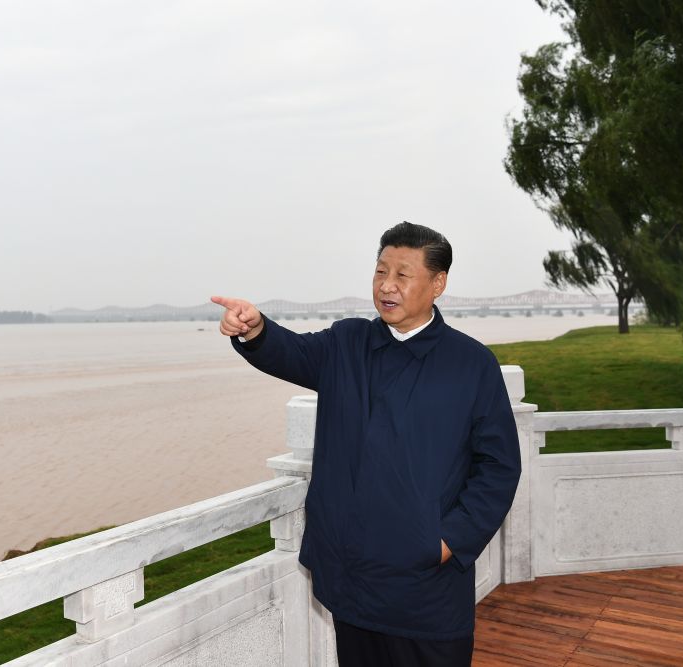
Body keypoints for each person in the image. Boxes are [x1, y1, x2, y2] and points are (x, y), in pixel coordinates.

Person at [211, 221, 521, 666]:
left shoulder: (471, 364)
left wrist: (447, 542)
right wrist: (255, 329)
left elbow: (499, 467)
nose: (387, 286)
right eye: (380, 272)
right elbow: (291, 351)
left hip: (426, 589)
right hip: (351, 577)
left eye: (402, 275)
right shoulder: (347, 343)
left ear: (437, 284)